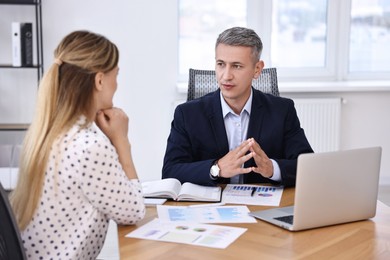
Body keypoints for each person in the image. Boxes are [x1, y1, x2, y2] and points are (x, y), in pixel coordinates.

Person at [10, 30, 145, 259]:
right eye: (116, 75)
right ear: (100, 80)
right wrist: (121, 141)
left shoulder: (48, 134)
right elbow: (133, 211)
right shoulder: (89, 147)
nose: (117, 84)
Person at [162, 27, 313, 187]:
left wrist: (272, 168)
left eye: (237, 66)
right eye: (221, 64)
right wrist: (216, 168)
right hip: (209, 208)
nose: (226, 76)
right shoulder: (187, 114)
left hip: (262, 209)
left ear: (257, 69)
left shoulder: (282, 111)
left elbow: (308, 168)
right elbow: (170, 171)